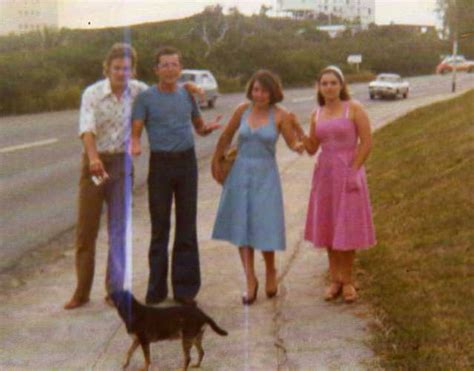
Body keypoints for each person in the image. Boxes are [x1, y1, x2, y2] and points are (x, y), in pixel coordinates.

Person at [131, 46, 221, 305]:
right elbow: (136, 130)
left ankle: (185, 290)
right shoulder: (145, 98)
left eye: (174, 64)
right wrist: (135, 144)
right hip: (160, 165)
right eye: (165, 65)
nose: (170, 69)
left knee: (186, 225)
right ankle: (156, 290)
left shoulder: (187, 96)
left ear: (180, 69)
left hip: (186, 163)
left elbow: (199, 126)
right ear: (156, 70)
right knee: (160, 227)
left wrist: (208, 129)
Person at [64, 43, 149, 309]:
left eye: (126, 68)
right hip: (95, 164)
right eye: (116, 68)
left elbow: (165, 92)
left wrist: (189, 88)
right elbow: (86, 128)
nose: (121, 73)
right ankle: (81, 291)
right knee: (86, 229)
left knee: (118, 229)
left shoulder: (139, 91)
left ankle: (114, 290)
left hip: (121, 165)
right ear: (107, 69)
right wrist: (93, 159)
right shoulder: (92, 93)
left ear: (132, 70)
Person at [211, 70, 304, 305]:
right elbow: (226, 136)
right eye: (255, 89)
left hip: (266, 176)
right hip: (240, 173)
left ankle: (270, 270)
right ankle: (250, 278)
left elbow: (294, 144)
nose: (259, 94)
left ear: (273, 92)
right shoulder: (242, 110)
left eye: (263, 90)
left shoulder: (281, 115)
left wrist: (300, 135)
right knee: (242, 225)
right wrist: (216, 162)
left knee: (264, 224)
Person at [297, 66, 376, 303]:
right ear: (319, 87)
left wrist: (354, 170)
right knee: (329, 225)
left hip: (349, 172)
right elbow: (312, 148)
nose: (329, 87)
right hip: (325, 174)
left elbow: (367, 142)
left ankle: (348, 280)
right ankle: (335, 280)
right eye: (324, 83)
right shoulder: (316, 114)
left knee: (347, 225)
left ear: (341, 85)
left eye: (333, 83)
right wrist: (299, 134)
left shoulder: (354, 109)